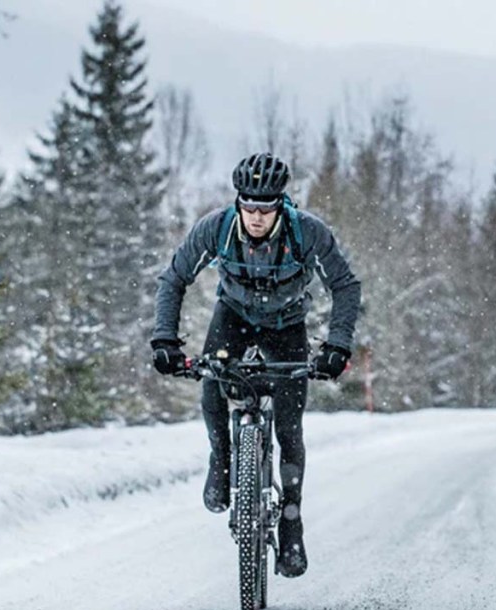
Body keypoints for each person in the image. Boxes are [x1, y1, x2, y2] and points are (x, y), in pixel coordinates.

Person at [151, 152, 361, 578]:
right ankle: (221, 460)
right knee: (211, 381)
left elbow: (345, 284)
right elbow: (173, 279)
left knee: (288, 425)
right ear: (238, 202)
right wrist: (165, 341)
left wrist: (336, 346)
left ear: (281, 204)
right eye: (249, 207)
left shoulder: (308, 233)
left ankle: (291, 521)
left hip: (288, 324)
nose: (257, 217)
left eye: (266, 209)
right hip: (234, 318)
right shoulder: (218, 228)